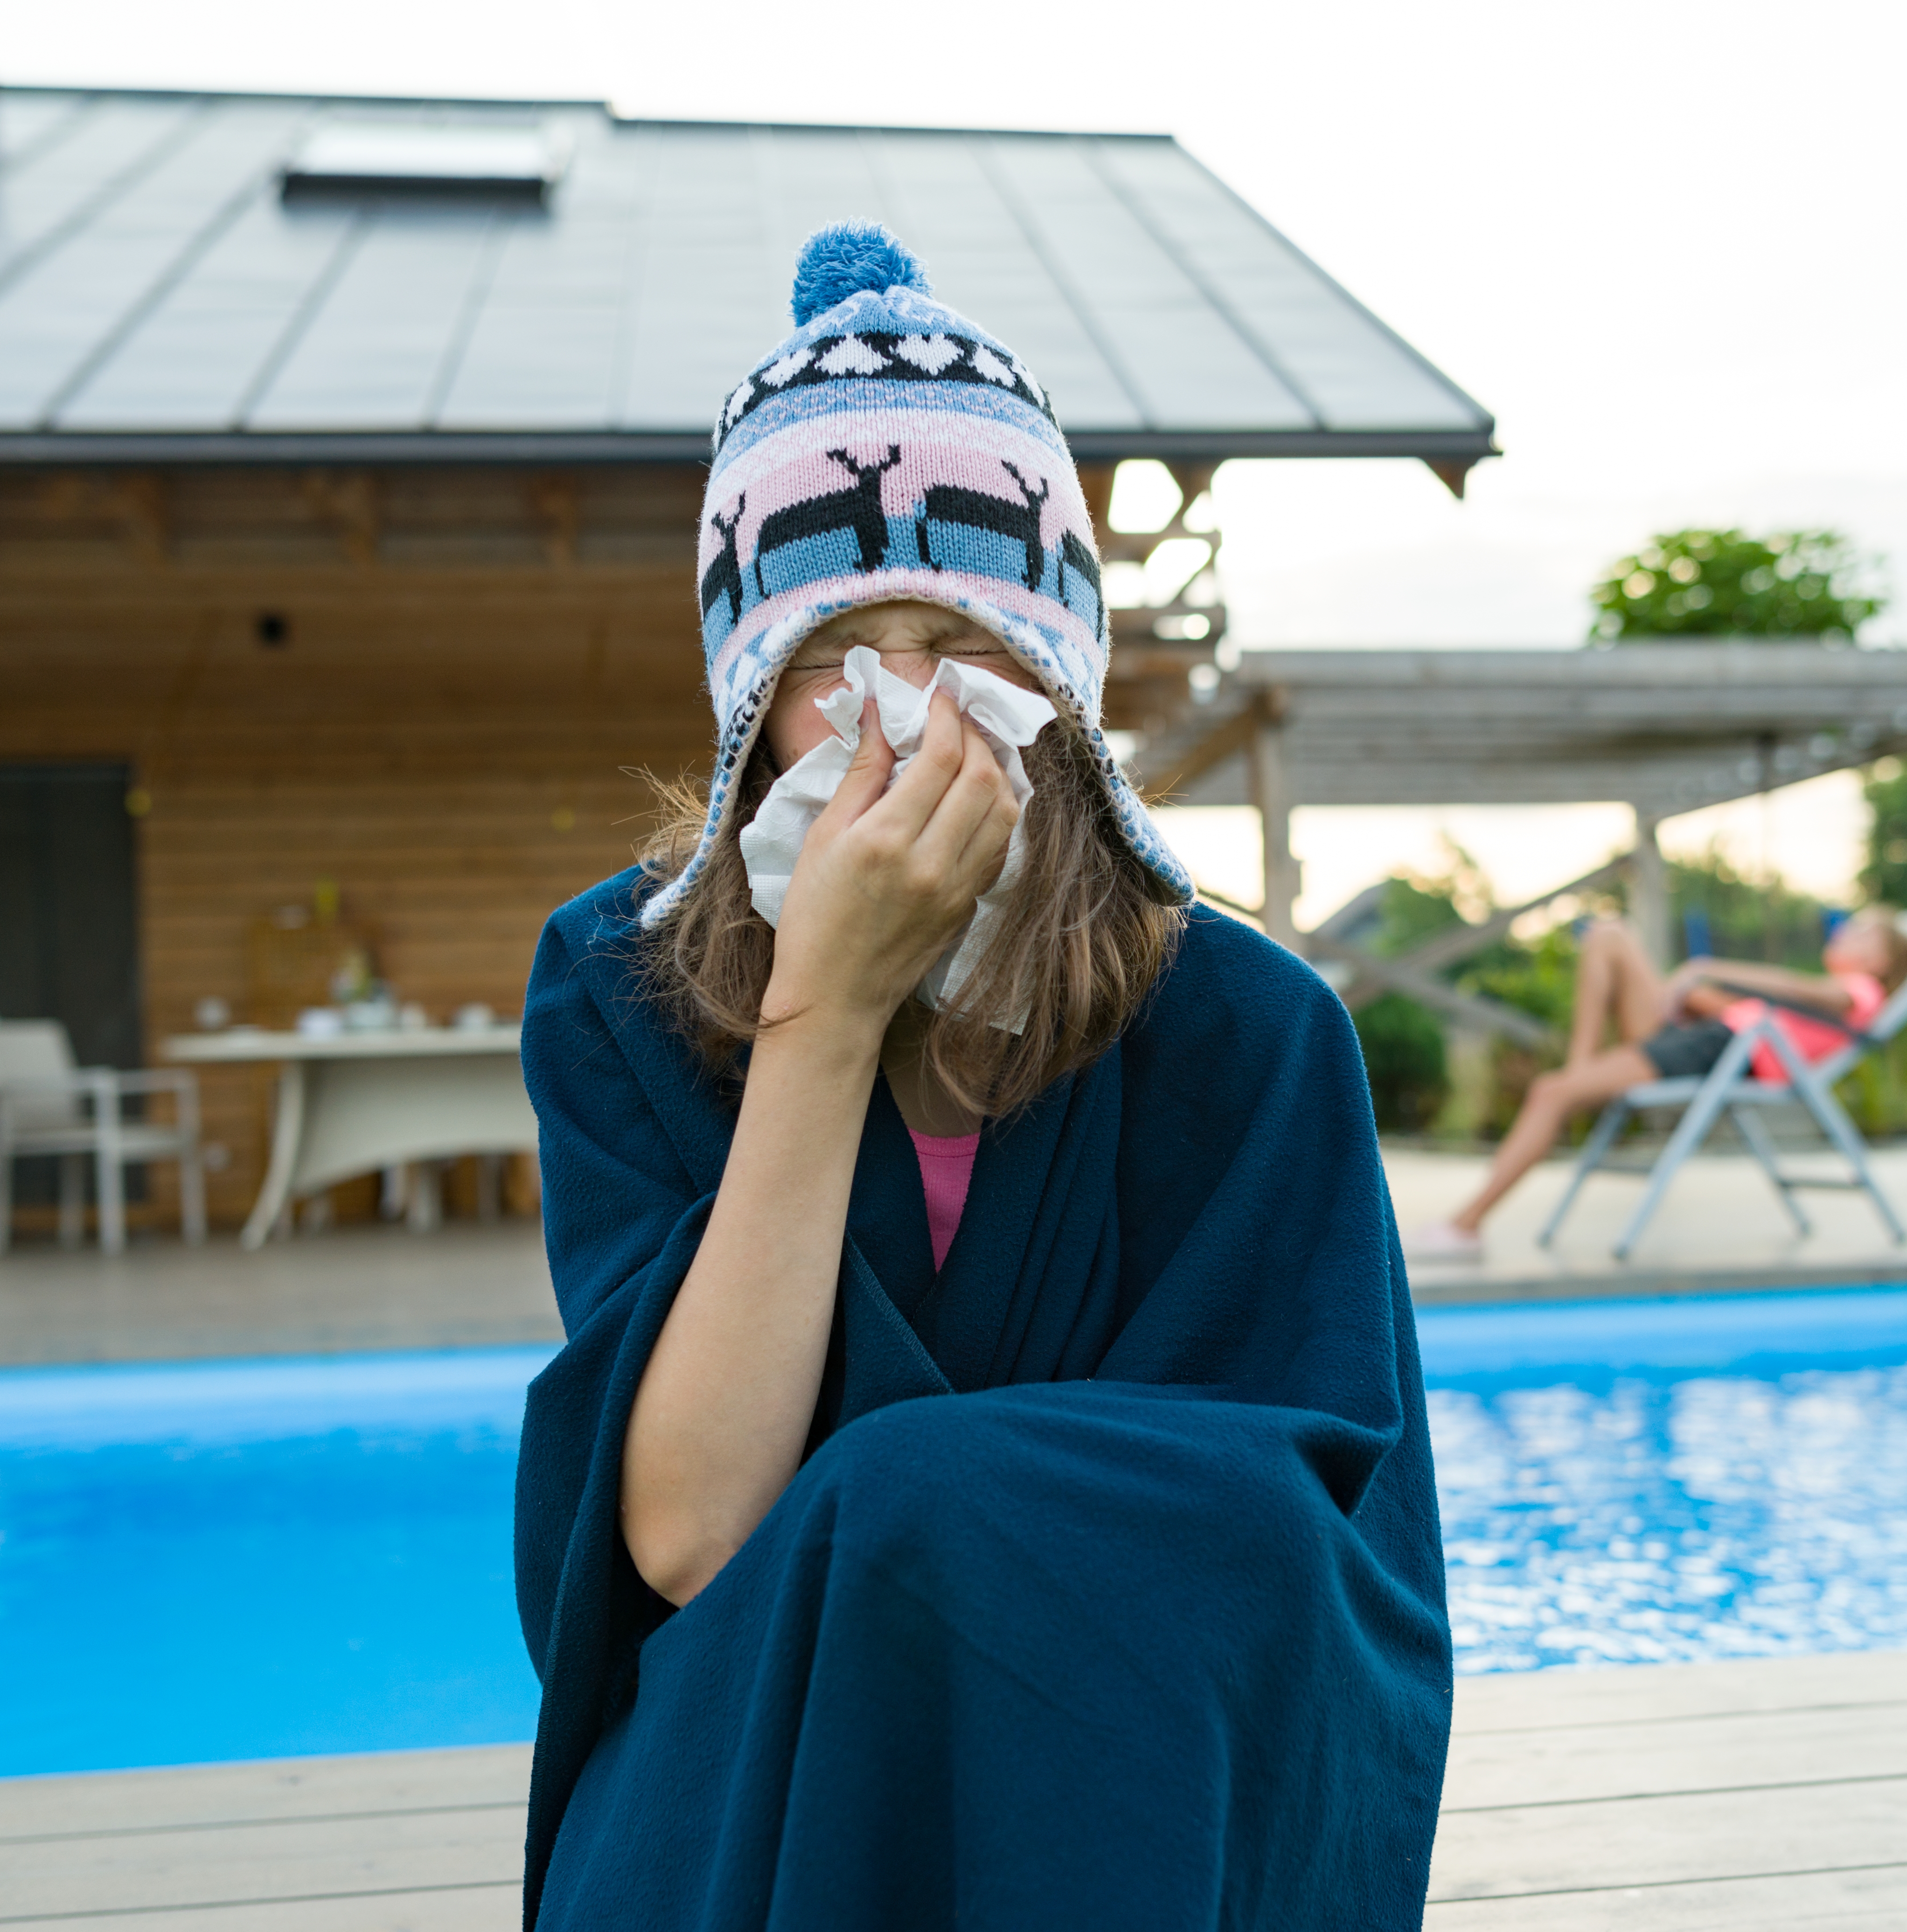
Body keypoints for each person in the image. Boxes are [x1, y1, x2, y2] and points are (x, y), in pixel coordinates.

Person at [513, 226, 1450, 1931]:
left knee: (932, 1499)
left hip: (1133, 1805)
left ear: (1063, 682)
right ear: (747, 708)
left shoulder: (1245, 1030)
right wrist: (826, 1012)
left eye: (961, 639)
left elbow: (1287, 1555)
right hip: (767, 1787)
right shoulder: (619, 993)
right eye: (829, 658)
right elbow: (684, 1537)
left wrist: (906, 1497)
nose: (897, 713)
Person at [1409, 905, 1907, 1258]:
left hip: (1721, 1048)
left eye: (1861, 930)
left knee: (1551, 1092)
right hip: (1708, 1032)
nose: (1845, 931)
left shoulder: (1860, 989)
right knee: (1609, 933)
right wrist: (1697, 994)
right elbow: (1767, 1007)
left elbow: (1796, 988)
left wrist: (1707, 967)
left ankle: (1466, 1223)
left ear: (1881, 961)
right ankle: (1578, 1068)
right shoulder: (1831, 998)